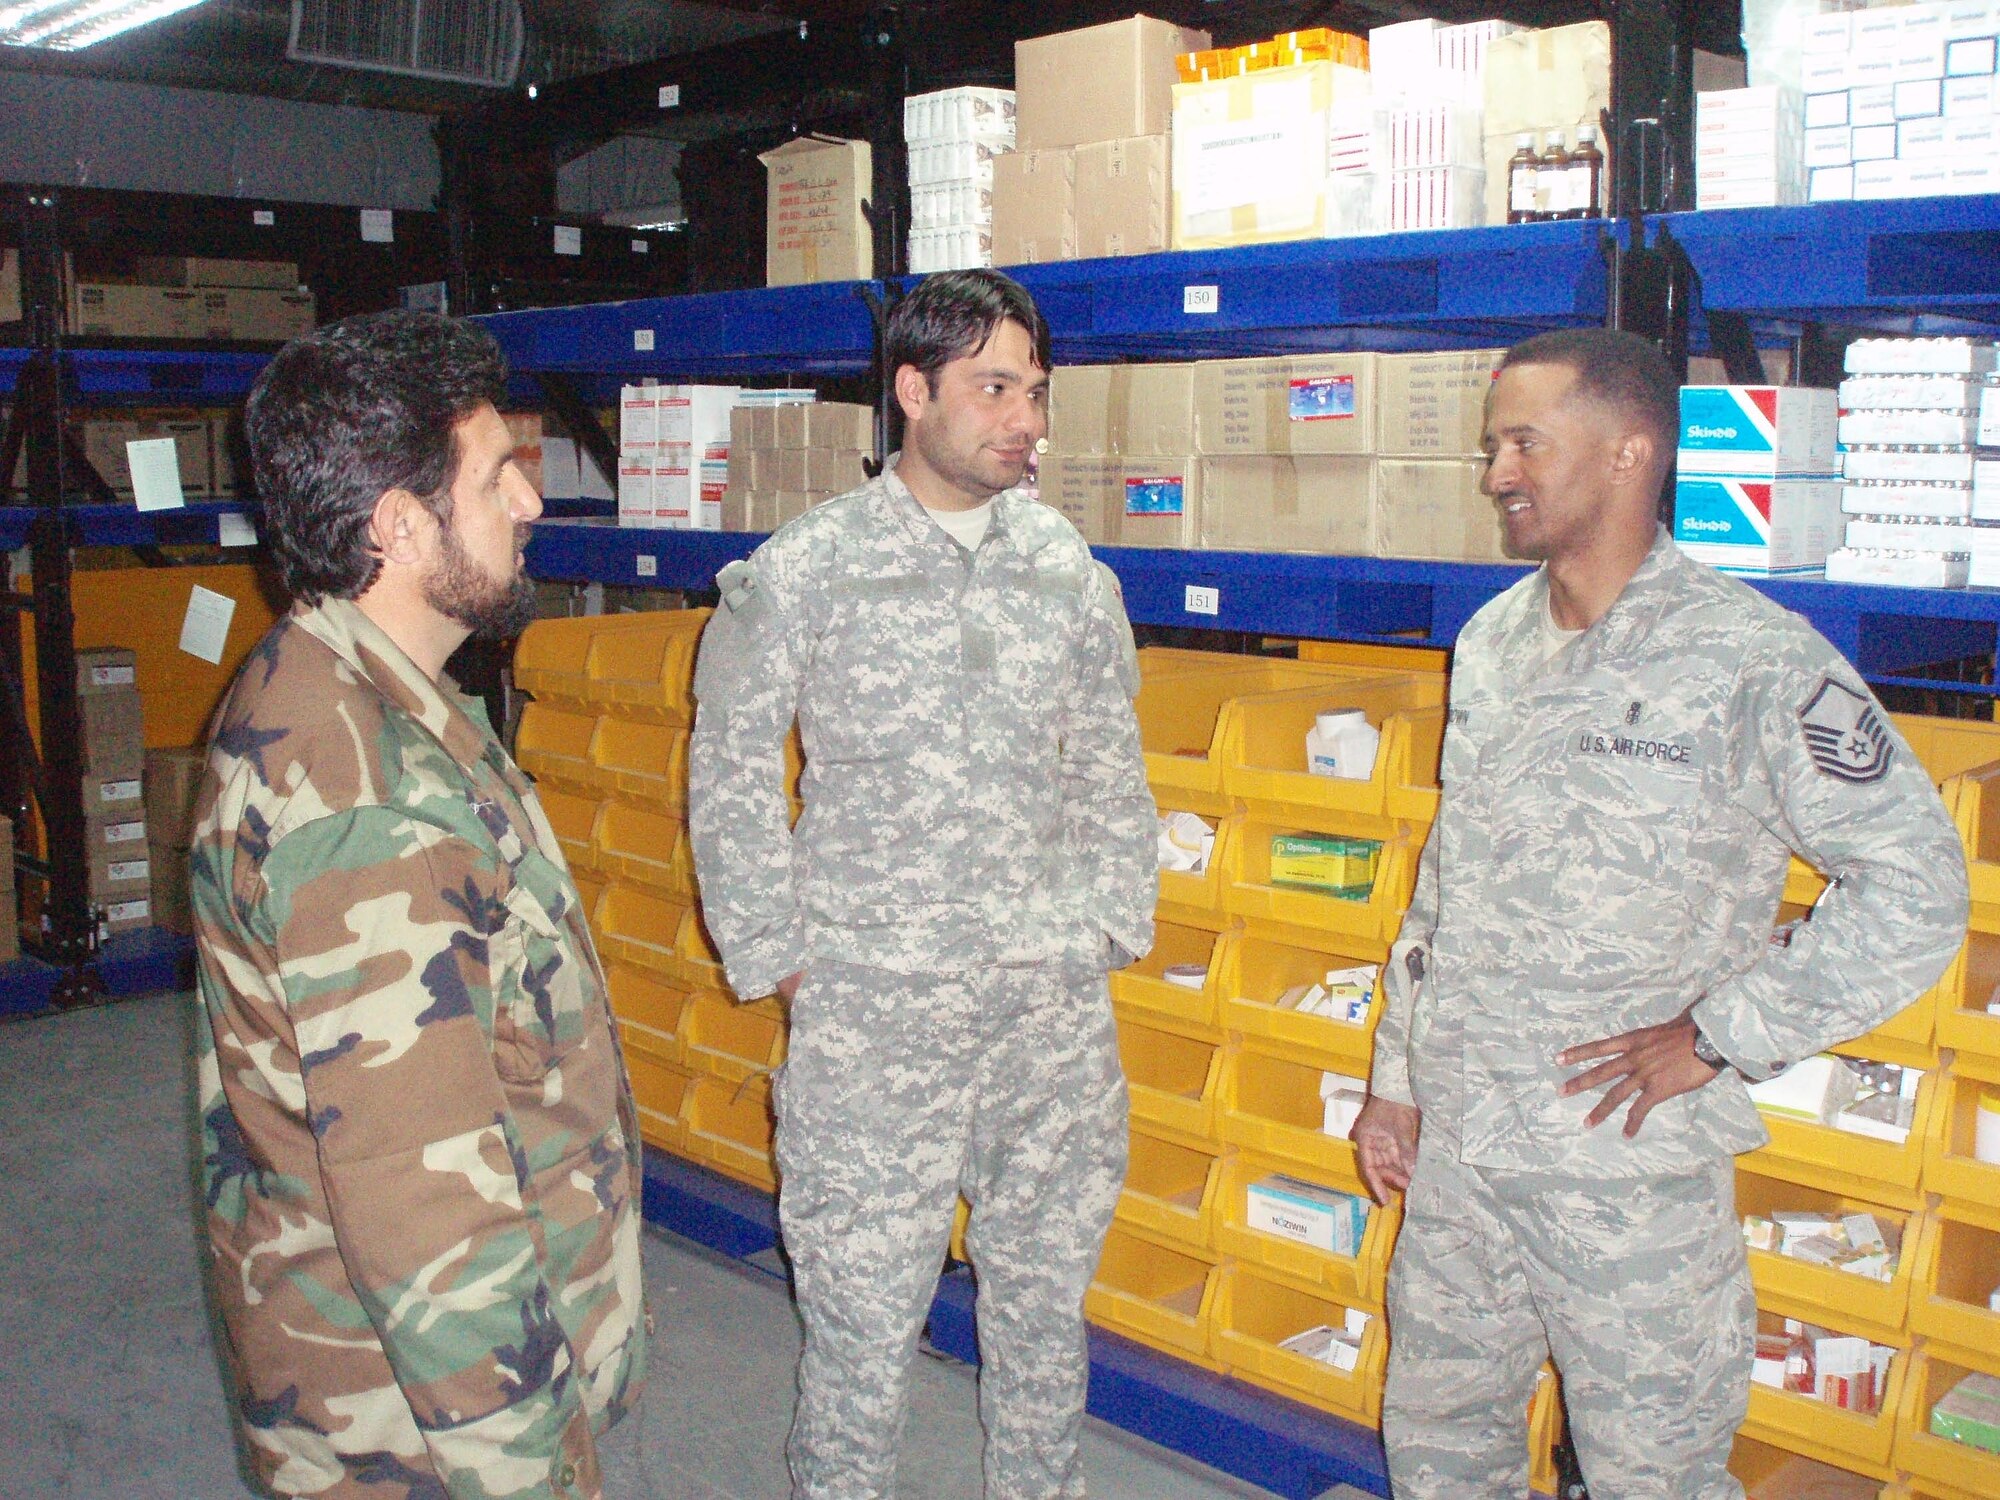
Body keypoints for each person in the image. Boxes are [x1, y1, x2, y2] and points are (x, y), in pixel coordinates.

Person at [1352, 327, 1968, 1498]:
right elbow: (1452, 877)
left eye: (1523, 443)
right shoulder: (1491, 644)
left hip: (1621, 1177)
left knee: (1656, 1478)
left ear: (1629, 452)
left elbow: (1914, 887)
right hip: (1463, 1157)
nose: (1495, 474)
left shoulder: (1752, 661)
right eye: (1493, 447)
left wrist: (1718, 1037)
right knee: (1437, 1447)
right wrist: (1395, 1075)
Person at [687, 268, 1155, 1499]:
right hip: (874, 1008)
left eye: (1036, 392)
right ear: (912, 391)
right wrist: (772, 946)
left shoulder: (1064, 566)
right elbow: (728, 759)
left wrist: (1109, 917)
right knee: (857, 1315)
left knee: (1045, 1306)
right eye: (994, 388)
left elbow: (1109, 750)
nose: (1026, 420)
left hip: (1045, 1011)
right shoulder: (809, 567)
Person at [192, 311, 645, 1500]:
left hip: (398, 1378)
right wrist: (529, 1467)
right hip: (420, 1423)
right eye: (499, 474)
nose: (531, 504)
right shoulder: (365, 793)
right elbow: (419, 1195)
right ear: (400, 526)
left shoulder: (362, 695)